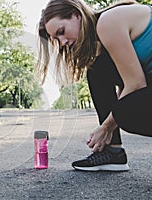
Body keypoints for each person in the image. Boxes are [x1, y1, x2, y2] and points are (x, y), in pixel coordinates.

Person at [36, 0, 152, 171]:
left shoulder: (108, 22)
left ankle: (111, 143)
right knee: (98, 69)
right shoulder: (102, 41)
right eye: (56, 39)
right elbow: (128, 83)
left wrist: (106, 127)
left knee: (124, 113)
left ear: (77, 15)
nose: (62, 42)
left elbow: (136, 84)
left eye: (61, 32)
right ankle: (113, 152)